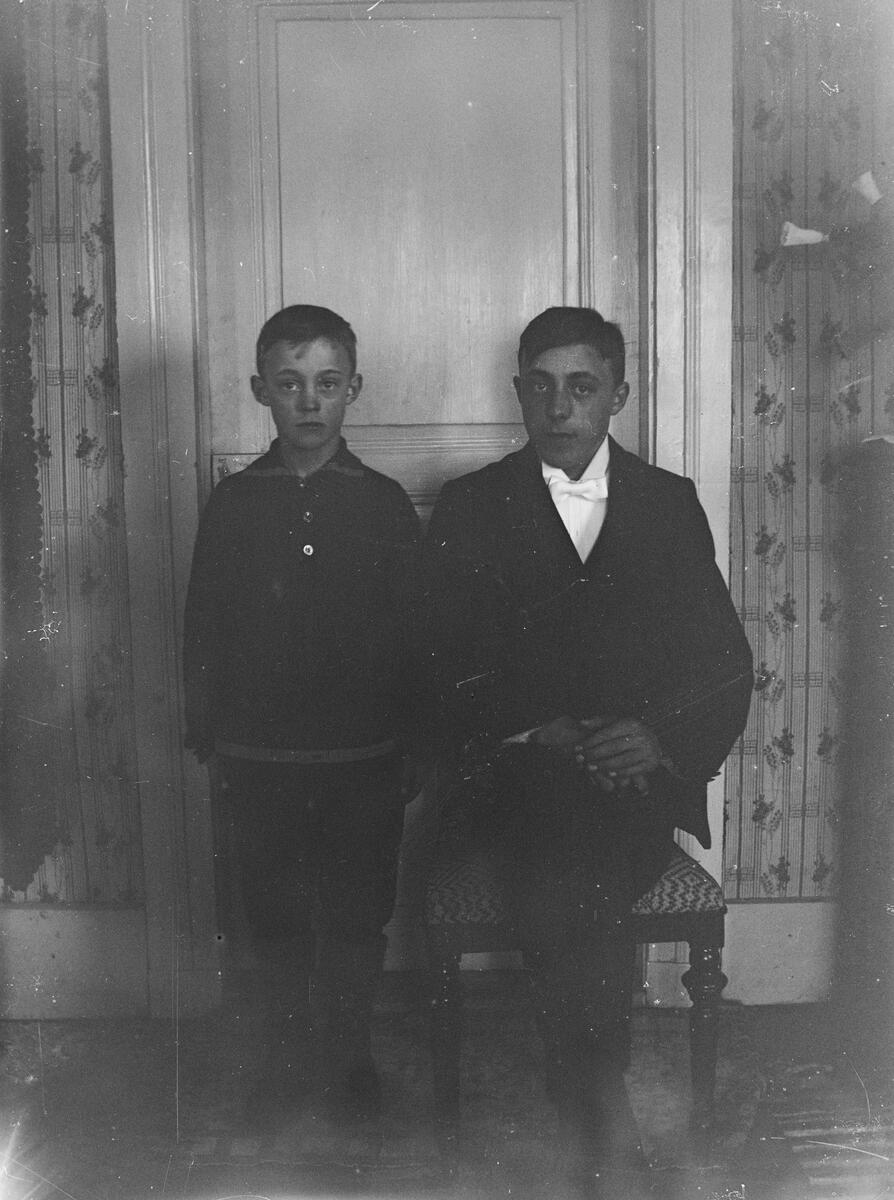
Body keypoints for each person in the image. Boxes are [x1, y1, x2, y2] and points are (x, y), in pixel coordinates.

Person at [422, 306, 753, 1198]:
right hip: (514, 776)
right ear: (518, 392)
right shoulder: (473, 505)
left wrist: (654, 737)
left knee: (584, 850)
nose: (560, 406)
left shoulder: (668, 502)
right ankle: (600, 1103)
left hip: (632, 782)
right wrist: (537, 728)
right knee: (566, 845)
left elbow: (722, 662)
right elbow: (437, 662)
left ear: (618, 394)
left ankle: (587, 1096)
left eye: (582, 386)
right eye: (541, 386)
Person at [183, 304, 427, 1127]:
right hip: (262, 760)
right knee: (275, 914)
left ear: (354, 387)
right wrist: (209, 727)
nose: (310, 402)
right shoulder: (235, 502)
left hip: (365, 758)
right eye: (289, 384)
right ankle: (285, 1061)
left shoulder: (383, 503)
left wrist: (415, 741)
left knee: (358, 914)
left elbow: (416, 634)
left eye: (327, 383)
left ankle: (351, 1059)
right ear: (261, 391)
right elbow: (205, 622)